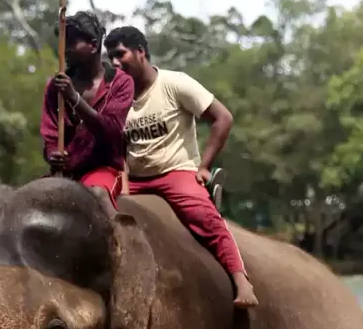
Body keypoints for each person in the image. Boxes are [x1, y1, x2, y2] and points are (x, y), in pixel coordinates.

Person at [104, 26, 258, 308]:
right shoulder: (117, 95)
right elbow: (118, 145)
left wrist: (204, 167)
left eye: (120, 54)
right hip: (135, 178)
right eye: (110, 57)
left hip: (175, 172)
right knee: (98, 210)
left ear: (141, 52)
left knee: (206, 219)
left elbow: (223, 118)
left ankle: (241, 279)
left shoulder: (175, 83)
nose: (114, 63)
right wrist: (122, 185)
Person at [40, 11, 134, 208]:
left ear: (93, 45)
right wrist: (52, 155)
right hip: (63, 174)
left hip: (103, 171)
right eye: (63, 43)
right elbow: (50, 136)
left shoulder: (120, 82)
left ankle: (121, 239)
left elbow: (111, 131)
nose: (65, 50)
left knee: (96, 197)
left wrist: (74, 98)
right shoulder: (55, 87)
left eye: (72, 43)